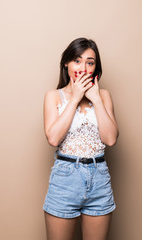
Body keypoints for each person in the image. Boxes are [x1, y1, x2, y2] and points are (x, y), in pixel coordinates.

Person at [43, 37, 119, 240]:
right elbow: (53, 138)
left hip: (99, 179)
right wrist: (76, 97)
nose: (83, 67)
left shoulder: (104, 96)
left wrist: (95, 98)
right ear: (66, 63)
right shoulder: (54, 96)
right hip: (65, 179)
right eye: (77, 60)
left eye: (90, 62)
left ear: (95, 68)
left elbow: (110, 139)